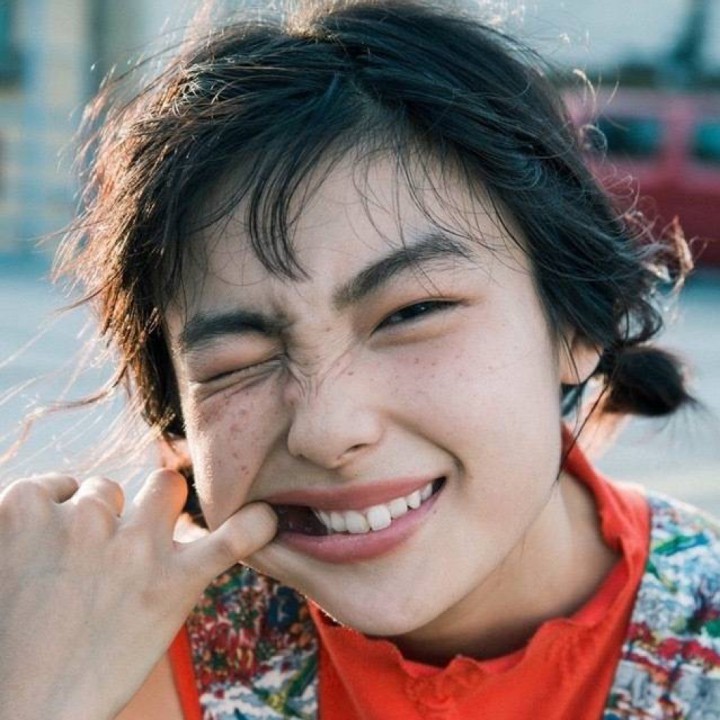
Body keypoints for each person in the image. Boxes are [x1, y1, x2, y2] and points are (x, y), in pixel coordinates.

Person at [1, 1, 719, 718]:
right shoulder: (107, 656)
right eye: (237, 361)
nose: (327, 430)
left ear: (577, 323)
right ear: (178, 421)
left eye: (410, 314)